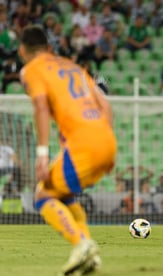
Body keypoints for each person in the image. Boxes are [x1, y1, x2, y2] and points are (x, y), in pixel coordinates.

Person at [19, 25, 116, 275]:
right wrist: (109, 144)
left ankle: (81, 244)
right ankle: (89, 255)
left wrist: (41, 154)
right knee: (65, 197)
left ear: (22, 50)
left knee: (42, 195)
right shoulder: (74, 67)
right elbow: (104, 104)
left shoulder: (32, 70)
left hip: (82, 143)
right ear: (50, 49)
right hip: (105, 140)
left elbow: (40, 107)